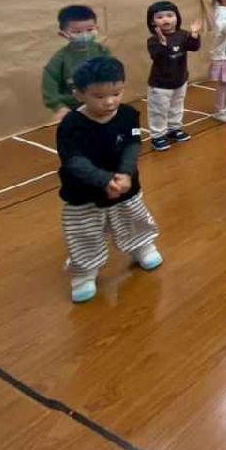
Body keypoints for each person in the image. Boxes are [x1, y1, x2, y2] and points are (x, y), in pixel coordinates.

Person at [56, 56, 161, 304]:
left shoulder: (127, 114)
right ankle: (84, 274)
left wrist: (125, 174)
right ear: (79, 95)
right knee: (84, 232)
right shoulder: (71, 125)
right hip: (84, 194)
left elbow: (133, 146)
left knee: (134, 218)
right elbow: (74, 161)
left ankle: (141, 247)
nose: (110, 101)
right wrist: (104, 180)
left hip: (126, 188)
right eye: (99, 96)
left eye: (116, 92)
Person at [145, 0, 202, 151]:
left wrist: (195, 34)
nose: (166, 20)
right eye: (160, 17)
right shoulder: (153, 40)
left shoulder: (183, 35)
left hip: (180, 80)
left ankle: (174, 129)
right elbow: (156, 56)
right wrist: (163, 44)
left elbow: (194, 47)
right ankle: (157, 136)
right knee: (159, 111)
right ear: (152, 21)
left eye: (170, 15)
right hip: (160, 84)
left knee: (176, 107)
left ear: (177, 17)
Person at [42, 4, 112, 123]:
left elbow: (113, 75)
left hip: (101, 104)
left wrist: (111, 96)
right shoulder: (60, 58)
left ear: (97, 29)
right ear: (63, 34)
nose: (84, 35)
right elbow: (50, 83)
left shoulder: (103, 51)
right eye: (77, 31)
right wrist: (59, 107)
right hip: (72, 109)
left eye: (90, 30)